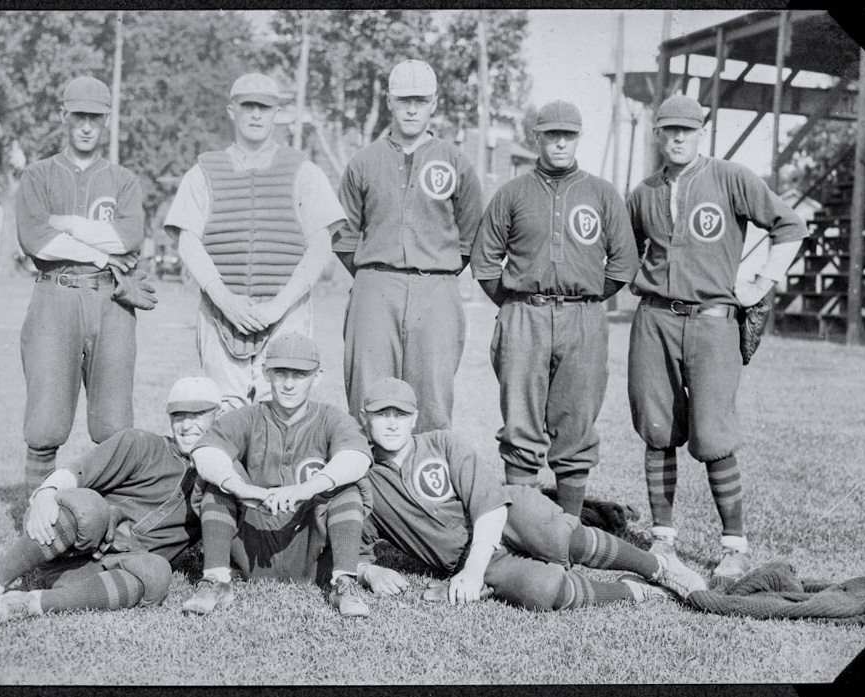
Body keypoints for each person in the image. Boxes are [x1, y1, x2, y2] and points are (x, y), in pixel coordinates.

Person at [625, 94, 809, 582]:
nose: (679, 137)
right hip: (654, 318)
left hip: (712, 321)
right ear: (657, 134)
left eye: (688, 129)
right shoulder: (642, 191)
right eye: (669, 129)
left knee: (714, 434)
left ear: (701, 131)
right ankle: (662, 539)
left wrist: (760, 283)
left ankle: (734, 546)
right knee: (657, 428)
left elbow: (791, 225)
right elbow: (624, 253)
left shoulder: (730, 177)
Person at [354, 378, 707, 610]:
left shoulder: (441, 442)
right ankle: (636, 591)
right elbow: (351, 545)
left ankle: (657, 568)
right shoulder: (362, 477)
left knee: (555, 533)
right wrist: (371, 573)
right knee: (542, 591)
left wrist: (474, 573)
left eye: (400, 414)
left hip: (505, 515)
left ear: (415, 418)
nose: (391, 423)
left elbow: (489, 506)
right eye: (380, 414)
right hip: (465, 559)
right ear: (363, 418)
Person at [470, 100, 639, 517]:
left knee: (576, 423)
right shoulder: (513, 192)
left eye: (568, 135)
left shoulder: (601, 192)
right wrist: (516, 303)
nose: (560, 143)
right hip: (524, 314)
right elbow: (485, 261)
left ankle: (568, 529)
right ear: (538, 137)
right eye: (552, 134)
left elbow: (623, 263)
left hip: (583, 316)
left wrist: (586, 298)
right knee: (520, 425)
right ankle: (525, 524)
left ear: (578, 138)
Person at [0, 377, 221, 622]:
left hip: (94, 573)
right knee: (91, 510)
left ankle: (30, 604)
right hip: (62, 539)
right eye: (178, 415)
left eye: (198, 415)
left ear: (218, 417)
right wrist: (46, 492)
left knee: (158, 573)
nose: (186, 425)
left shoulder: (219, 484)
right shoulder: (142, 444)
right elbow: (78, 471)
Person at [165, 73, 346, 411]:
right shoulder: (204, 171)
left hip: (286, 308)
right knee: (222, 408)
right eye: (248, 106)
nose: (256, 114)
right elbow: (188, 241)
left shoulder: (303, 171)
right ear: (232, 110)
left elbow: (321, 245)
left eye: (265, 107)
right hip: (221, 310)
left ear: (277, 112)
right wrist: (224, 299)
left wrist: (278, 306)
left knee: (282, 407)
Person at [334, 59, 484, 434]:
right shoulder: (363, 161)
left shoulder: (456, 161)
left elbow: (470, 235)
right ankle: (366, 488)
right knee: (368, 393)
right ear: (389, 101)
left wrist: (433, 270)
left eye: (421, 100)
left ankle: (425, 488)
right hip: (375, 283)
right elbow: (345, 236)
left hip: (436, 286)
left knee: (431, 395)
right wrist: (376, 274)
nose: (412, 109)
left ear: (435, 103)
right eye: (404, 100)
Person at [16, 76, 147, 492]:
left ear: (107, 120)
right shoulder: (39, 175)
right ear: (63, 117)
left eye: (95, 118)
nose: (87, 126)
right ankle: (36, 523)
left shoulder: (123, 180)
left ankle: (107, 520)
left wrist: (69, 226)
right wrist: (102, 252)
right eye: (79, 117)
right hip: (56, 292)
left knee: (113, 423)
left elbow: (128, 238)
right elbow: (36, 239)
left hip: (111, 298)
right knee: (45, 424)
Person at [182, 333, 373, 617]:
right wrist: (241, 488)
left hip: (309, 548)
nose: (288, 383)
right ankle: (216, 581)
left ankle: (343, 583)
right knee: (219, 481)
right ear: (265, 373)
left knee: (348, 487)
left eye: (300, 374)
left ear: (317, 377)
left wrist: (307, 488)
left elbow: (357, 458)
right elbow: (205, 453)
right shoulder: (247, 416)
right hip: (252, 545)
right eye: (280, 373)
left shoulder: (331, 418)